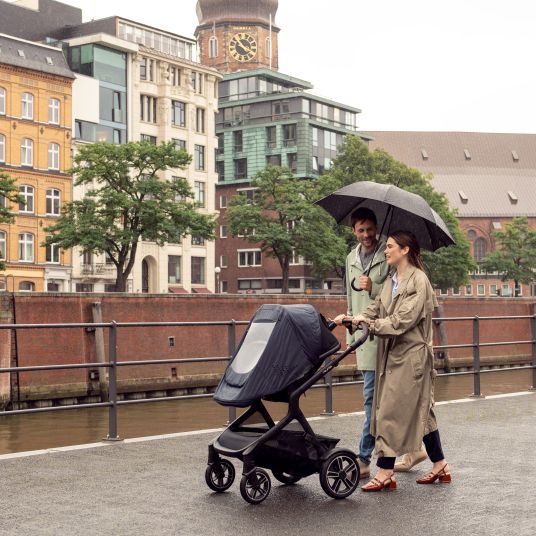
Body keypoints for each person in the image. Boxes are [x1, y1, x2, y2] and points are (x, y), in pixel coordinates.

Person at [349, 230, 452, 492]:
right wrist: (355, 318)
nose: (385, 250)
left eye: (391, 246)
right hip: (394, 356)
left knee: (388, 411)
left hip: (411, 358)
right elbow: (377, 308)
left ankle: (385, 471)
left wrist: (370, 325)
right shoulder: (391, 279)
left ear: (405, 250)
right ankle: (440, 465)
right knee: (424, 413)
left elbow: (400, 321)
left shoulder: (419, 281)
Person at [333, 208, 389, 479]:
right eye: (360, 230)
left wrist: (373, 288)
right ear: (353, 231)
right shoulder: (350, 258)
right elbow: (349, 297)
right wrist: (348, 327)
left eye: (370, 229)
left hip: (383, 335)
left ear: (376, 227)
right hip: (362, 337)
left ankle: (364, 457)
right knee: (379, 399)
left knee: (374, 399)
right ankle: (417, 448)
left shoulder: (388, 254)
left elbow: (394, 295)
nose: (366, 235)